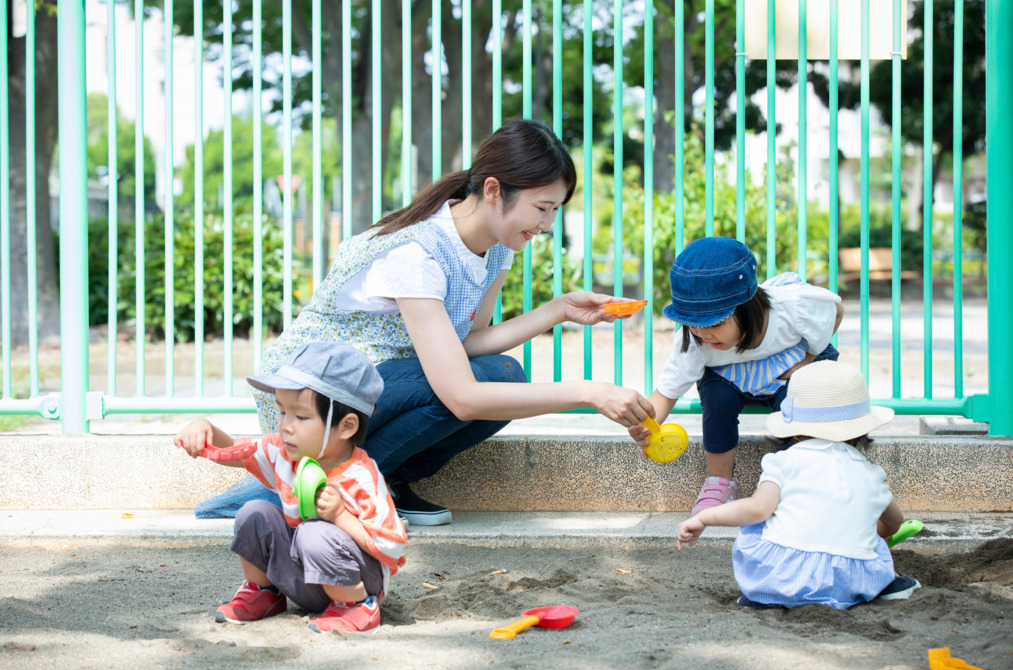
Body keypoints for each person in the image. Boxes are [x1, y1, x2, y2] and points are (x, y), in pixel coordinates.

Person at [234, 119, 652, 526]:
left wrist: (559, 310)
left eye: (556, 209)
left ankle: (381, 478)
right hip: (308, 404)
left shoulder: (497, 247)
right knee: (492, 383)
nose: (547, 224)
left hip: (372, 386)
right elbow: (462, 397)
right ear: (493, 190)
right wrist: (589, 392)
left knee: (504, 372)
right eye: (543, 208)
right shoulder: (418, 254)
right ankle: (332, 482)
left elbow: (466, 342)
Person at [174, 341, 407, 633]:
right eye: (283, 412)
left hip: (359, 583)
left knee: (313, 531)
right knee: (254, 512)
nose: (286, 426)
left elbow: (393, 545)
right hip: (302, 577)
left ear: (347, 426)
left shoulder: (362, 477)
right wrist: (204, 429)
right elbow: (237, 449)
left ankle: (356, 609)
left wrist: (340, 517)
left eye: (301, 416)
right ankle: (265, 594)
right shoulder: (285, 456)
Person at [676, 361, 920, 609]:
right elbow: (894, 522)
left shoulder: (785, 461)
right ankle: (889, 583)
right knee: (873, 542)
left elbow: (757, 509)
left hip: (782, 576)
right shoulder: (871, 473)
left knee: (760, 524)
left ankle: (765, 596)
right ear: (860, 429)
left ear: (795, 429)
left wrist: (705, 518)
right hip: (850, 582)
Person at [628, 237, 843, 515]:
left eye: (715, 324)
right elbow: (665, 395)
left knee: (797, 404)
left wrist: (809, 359)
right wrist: (648, 426)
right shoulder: (696, 342)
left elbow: (835, 311)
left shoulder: (795, 307)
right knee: (717, 400)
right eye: (692, 324)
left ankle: (793, 483)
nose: (704, 334)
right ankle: (720, 483)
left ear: (748, 306)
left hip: (790, 364)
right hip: (732, 376)